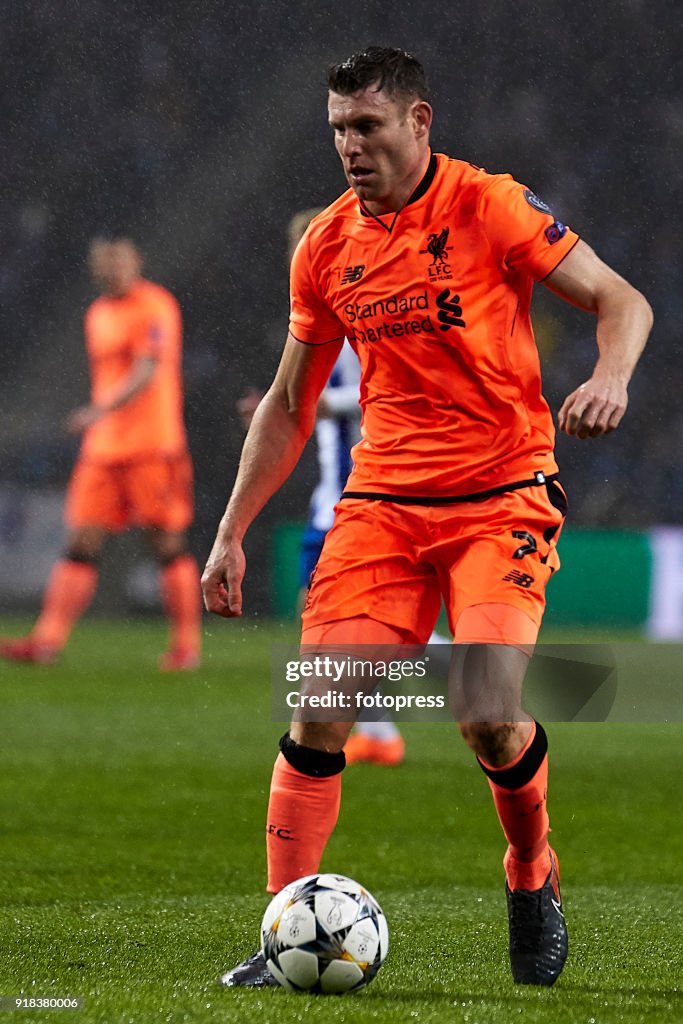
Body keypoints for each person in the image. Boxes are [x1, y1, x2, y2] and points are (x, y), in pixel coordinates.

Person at [201, 47, 652, 988]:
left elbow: (620, 300)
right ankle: (282, 929)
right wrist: (231, 530)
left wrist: (608, 375)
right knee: (321, 708)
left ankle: (531, 873)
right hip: (382, 508)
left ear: (418, 122)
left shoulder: (488, 205)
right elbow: (289, 403)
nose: (348, 146)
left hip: (501, 497)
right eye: (336, 129)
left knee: (487, 716)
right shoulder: (324, 246)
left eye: (366, 126)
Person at [0, 237, 202, 671]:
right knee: (80, 542)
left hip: (153, 443)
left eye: (121, 260)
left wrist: (100, 408)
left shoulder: (155, 305)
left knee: (165, 542)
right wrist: (102, 417)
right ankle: (46, 641)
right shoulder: (98, 313)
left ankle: (186, 646)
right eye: (105, 263)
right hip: (103, 449)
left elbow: (148, 369)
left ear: (137, 262)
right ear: (95, 268)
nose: (113, 269)